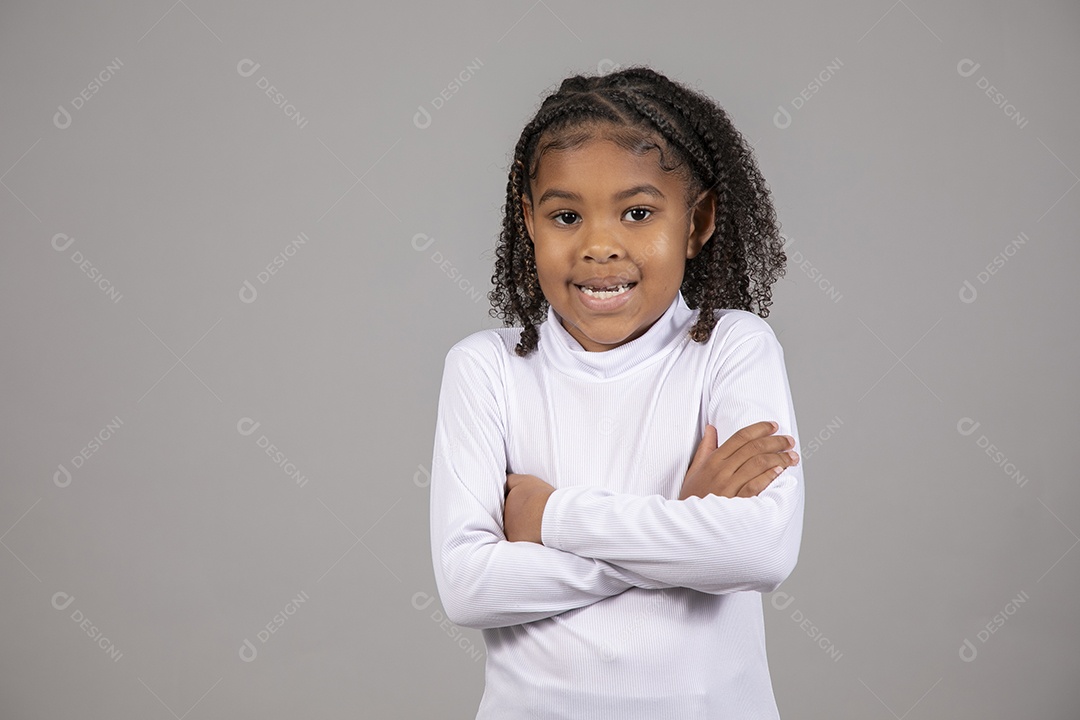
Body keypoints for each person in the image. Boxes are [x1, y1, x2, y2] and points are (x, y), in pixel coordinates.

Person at [428, 64, 805, 719]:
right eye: (567, 215)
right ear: (529, 222)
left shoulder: (730, 349)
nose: (600, 245)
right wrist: (685, 522)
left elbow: (759, 550)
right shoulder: (484, 368)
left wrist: (549, 522)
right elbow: (468, 588)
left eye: (637, 212)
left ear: (697, 221)